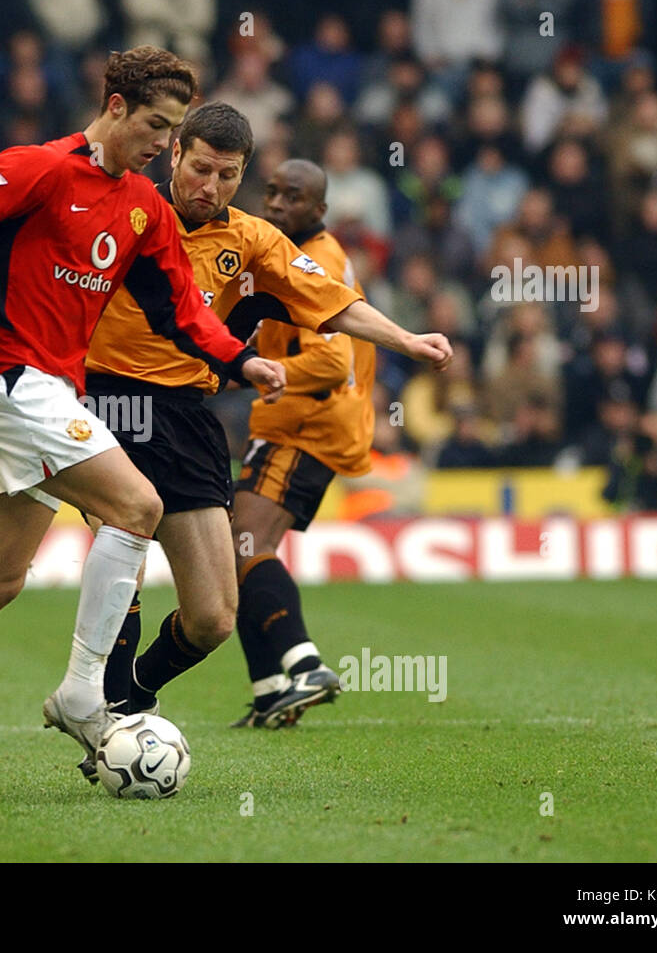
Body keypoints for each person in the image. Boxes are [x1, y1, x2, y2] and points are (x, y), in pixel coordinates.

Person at [0, 47, 288, 801]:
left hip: (49, 394)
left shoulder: (140, 205)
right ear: (112, 107)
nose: (162, 145)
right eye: (154, 126)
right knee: (138, 506)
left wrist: (239, 362)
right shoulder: (40, 170)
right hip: (7, 378)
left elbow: (182, 309)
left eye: (172, 132)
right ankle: (83, 693)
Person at [82, 114, 452, 776]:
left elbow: (334, 303)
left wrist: (410, 341)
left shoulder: (252, 240)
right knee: (126, 546)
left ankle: (134, 694)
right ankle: (108, 713)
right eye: (200, 168)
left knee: (214, 617)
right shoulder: (125, 210)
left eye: (228, 175)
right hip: (111, 404)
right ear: (173, 156)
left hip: (190, 414)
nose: (211, 185)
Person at [231, 159, 375, 728]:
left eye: (293, 198)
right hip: (297, 426)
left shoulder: (319, 259)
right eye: (271, 193)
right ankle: (271, 691)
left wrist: (264, 371)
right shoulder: (283, 251)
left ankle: (306, 665)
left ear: (318, 210)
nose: (276, 205)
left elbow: (332, 358)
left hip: (307, 426)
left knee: (244, 545)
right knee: (237, 551)